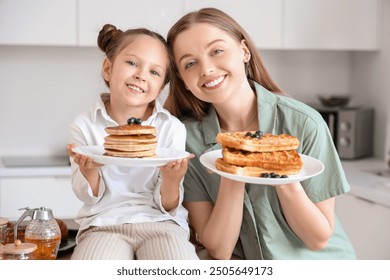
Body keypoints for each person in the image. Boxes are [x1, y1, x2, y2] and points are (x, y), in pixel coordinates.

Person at [164, 8, 356, 260]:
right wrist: (233, 165)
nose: (207, 69)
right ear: (182, 78)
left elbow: (318, 238)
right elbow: (219, 249)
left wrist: (277, 163)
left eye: (216, 51)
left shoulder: (304, 123)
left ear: (244, 51)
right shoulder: (186, 139)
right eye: (190, 63)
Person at [66, 24, 198, 260]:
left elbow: (167, 205)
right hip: (102, 224)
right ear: (108, 68)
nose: (141, 75)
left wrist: (172, 178)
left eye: (154, 72)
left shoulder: (171, 128)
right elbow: (87, 197)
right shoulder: (84, 126)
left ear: (161, 88)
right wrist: (89, 173)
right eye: (132, 63)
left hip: (162, 224)